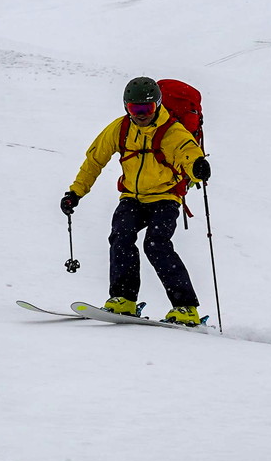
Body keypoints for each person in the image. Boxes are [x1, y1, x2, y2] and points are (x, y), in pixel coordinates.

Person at [59, 76, 212, 326]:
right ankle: (123, 300)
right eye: (134, 109)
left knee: (156, 243)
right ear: (126, 107)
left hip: (165, 197)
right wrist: (75, 193)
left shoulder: (172, 131)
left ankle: (185, 307)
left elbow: (188, 153)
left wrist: (198, 168)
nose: (141, 114)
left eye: (147, 109)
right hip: (132, 196)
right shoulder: (120, 129)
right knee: (121, 236)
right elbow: (94, 160)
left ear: (158, 105)